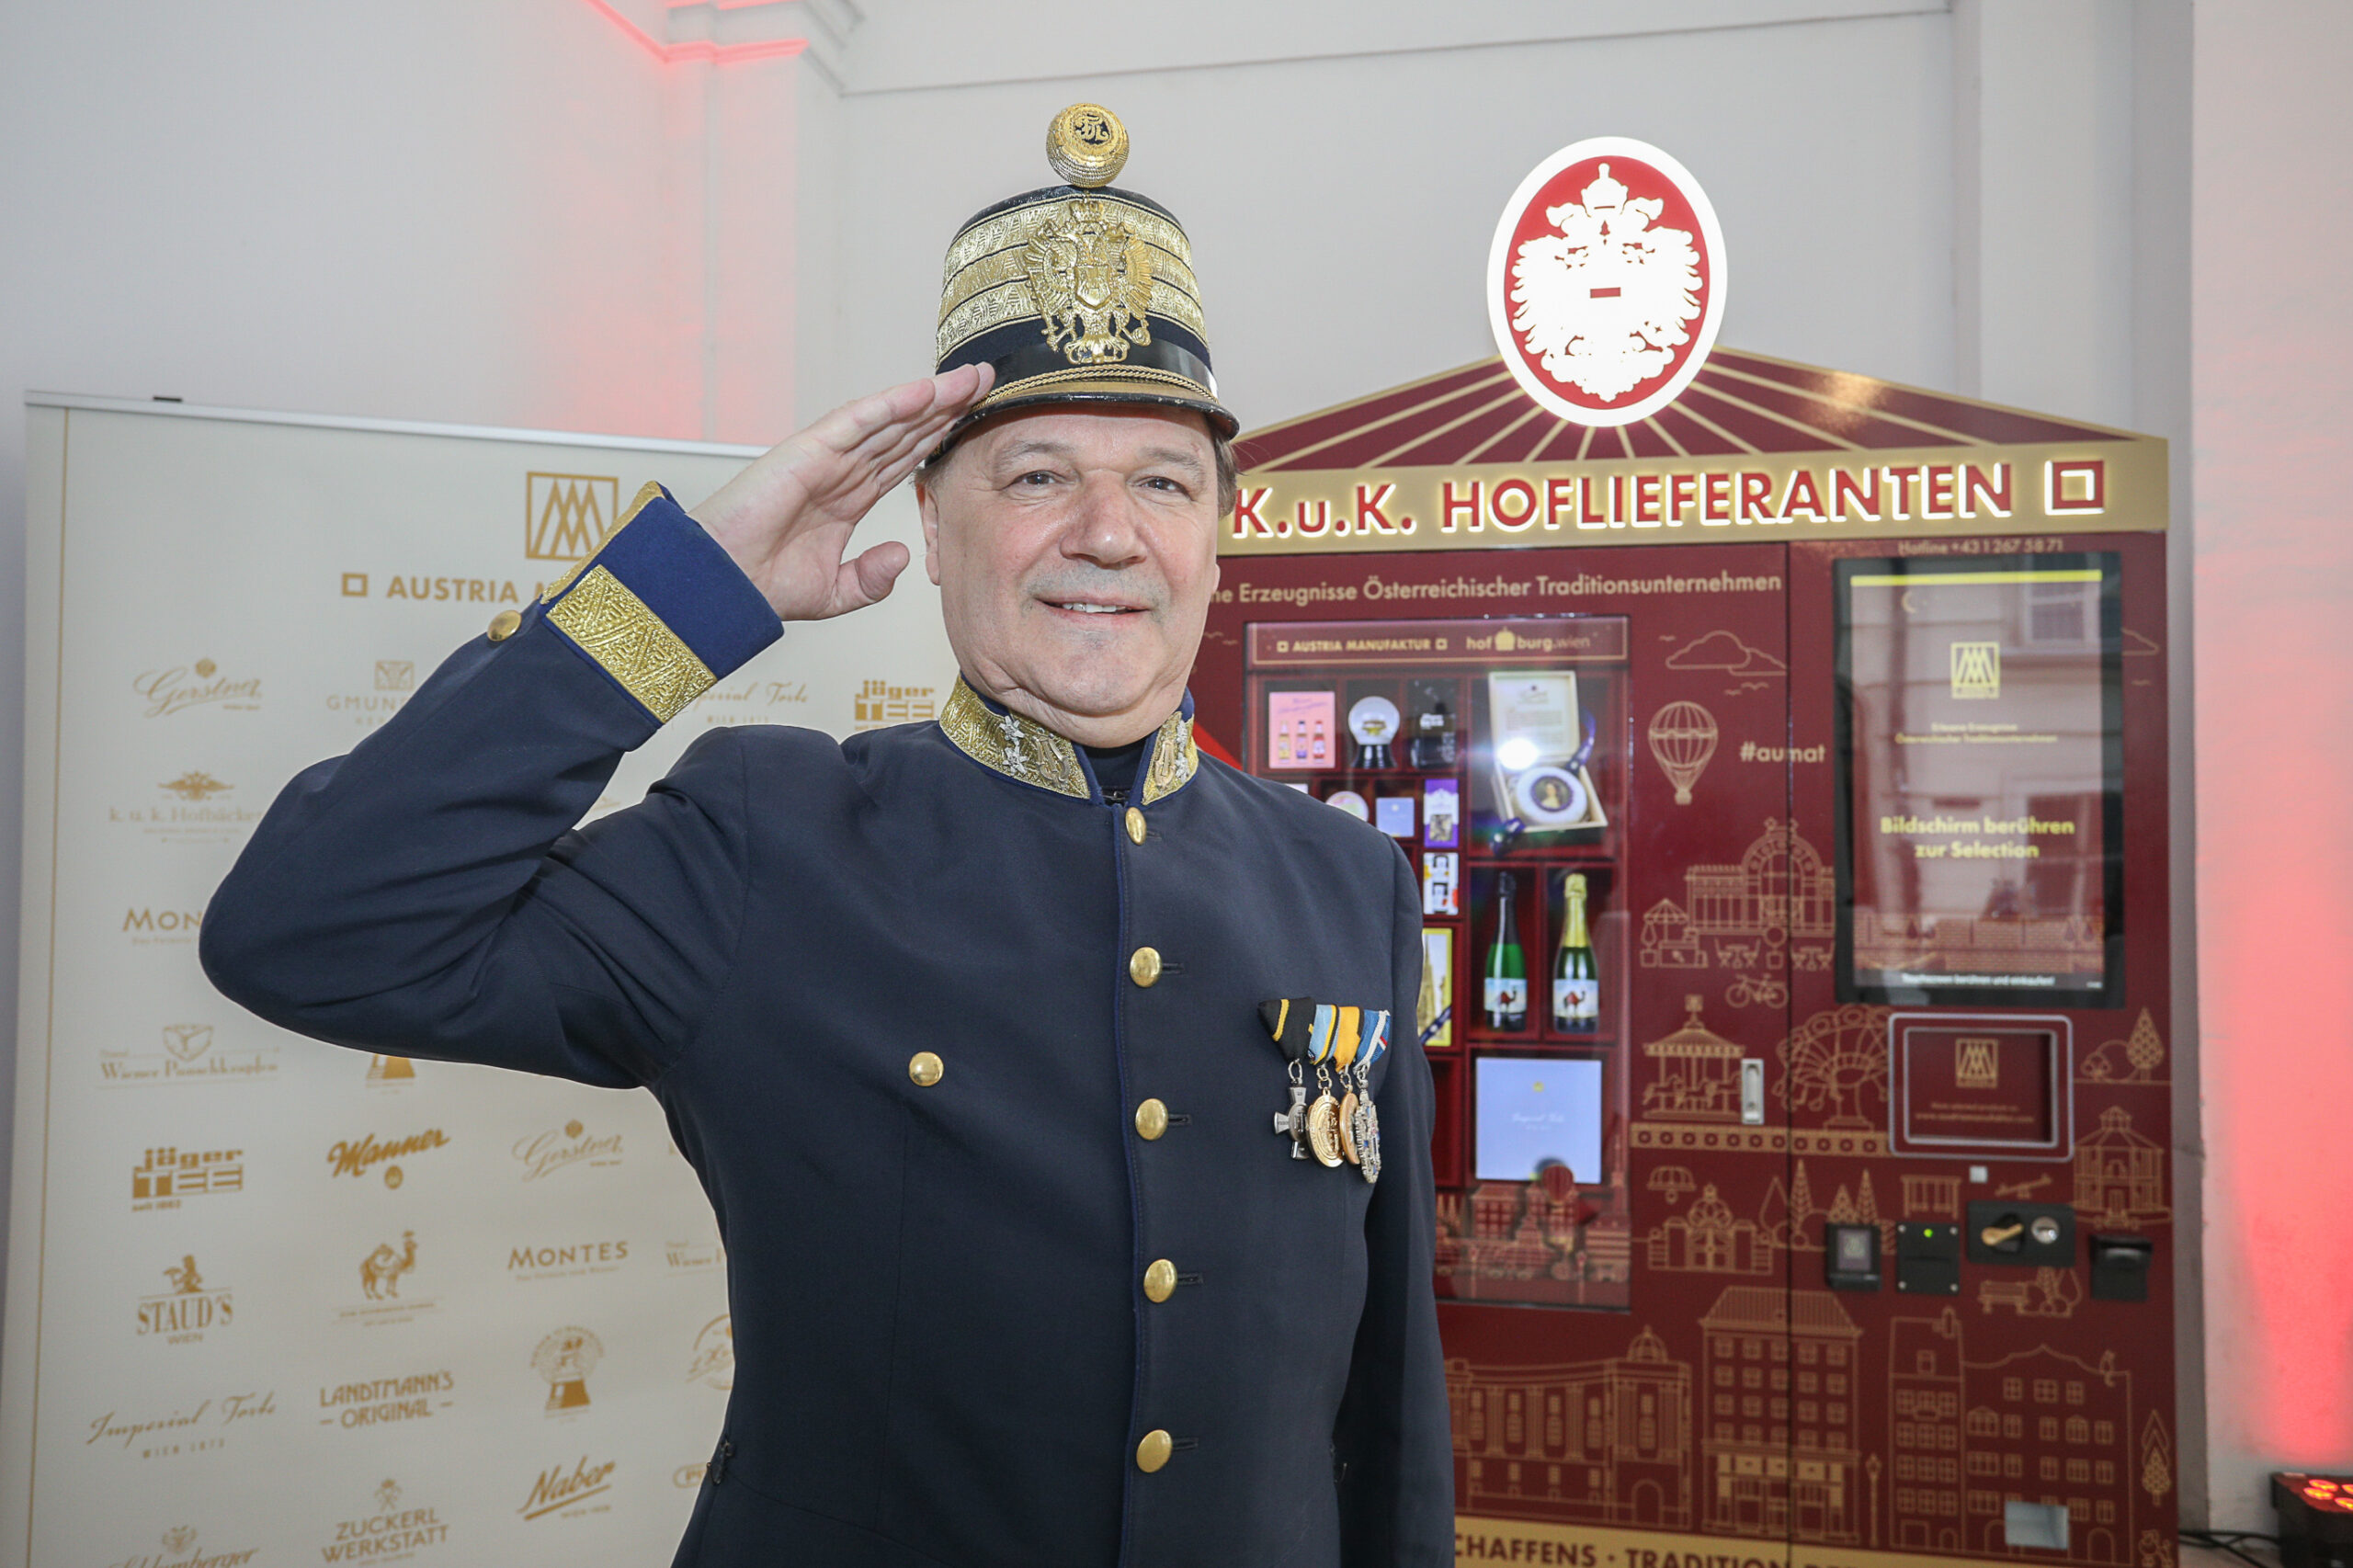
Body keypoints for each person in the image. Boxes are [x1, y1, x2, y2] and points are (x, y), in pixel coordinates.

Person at [201, 104, 1453, 1567]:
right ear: (932, 521)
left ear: (1218, 534)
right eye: (1037, 473)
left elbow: (1385, 1411)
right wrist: (679, 596)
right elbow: (304, 926)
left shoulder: (1344, 881)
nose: (1108, 531)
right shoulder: (768, 842)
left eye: (1163, 481)